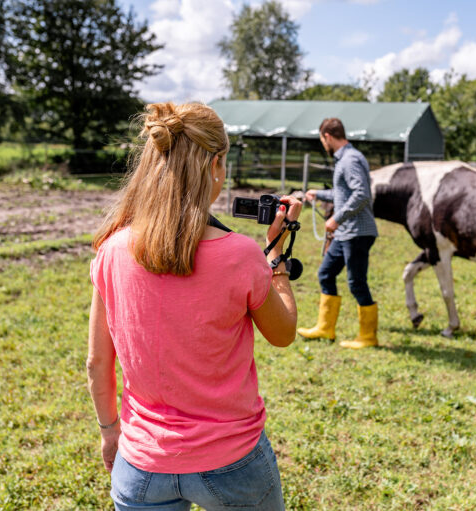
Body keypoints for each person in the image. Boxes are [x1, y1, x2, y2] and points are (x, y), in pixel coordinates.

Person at [86, 102, 301, 511]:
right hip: (234, 461)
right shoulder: (241, 254)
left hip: (141, 462)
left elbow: (98, 363)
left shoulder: (110, 251)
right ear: (216, 162)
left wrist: (109, 432)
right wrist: (276, 262)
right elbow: (284, 333)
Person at [298, 118, 379, 349]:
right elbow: (344, 193)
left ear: (327, 136)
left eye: (322, 140)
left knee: (356, 283)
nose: (323, 144)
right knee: (326, 273)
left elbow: (361, 194)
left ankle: (368, 336)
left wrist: (336, 218)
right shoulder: (346, 158)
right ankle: (325, 328)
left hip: (356, 232)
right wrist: (319, 194)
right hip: (346, 233)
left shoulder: (351, 159)